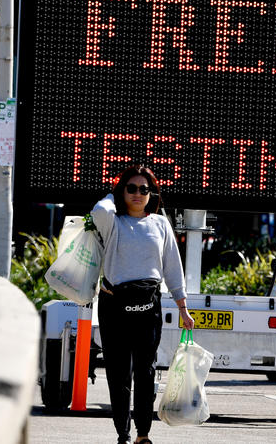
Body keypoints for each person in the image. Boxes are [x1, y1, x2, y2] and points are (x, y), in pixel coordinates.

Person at [91, 165, 194, 444]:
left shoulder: (160, 223)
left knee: (145, 370)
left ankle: (143, 434)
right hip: (114, 306)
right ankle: (122, 433)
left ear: (152, 194)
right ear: (122, 191)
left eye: (144, 189)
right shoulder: (112, 221)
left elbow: (173, 268)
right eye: (132, 188)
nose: (138, 194)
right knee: (118, 372)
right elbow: (98, 211)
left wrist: (183, 307)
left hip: (149, 307)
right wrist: (113, 196)